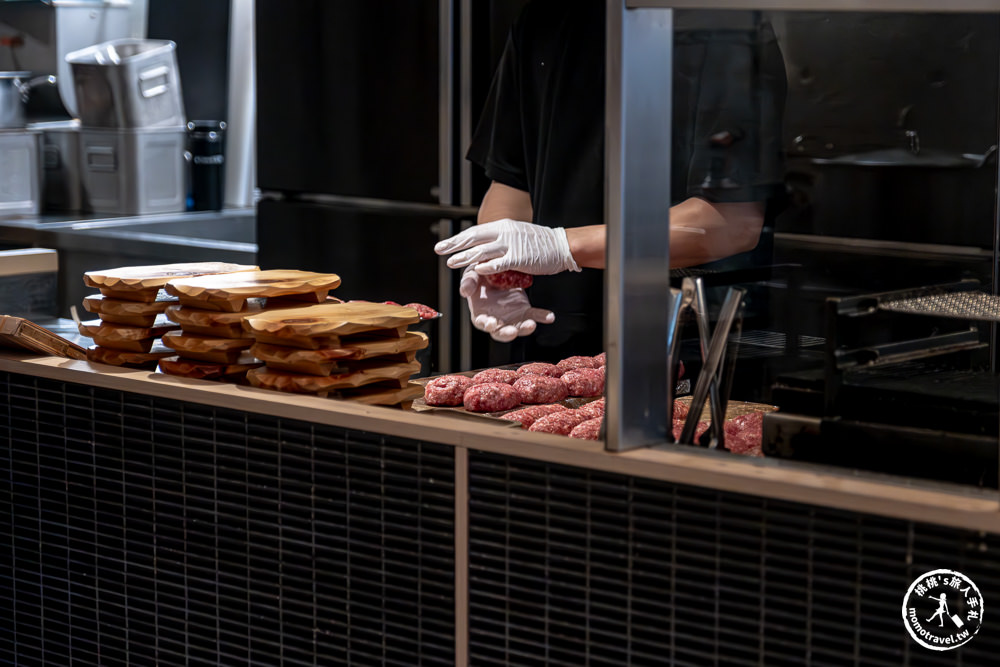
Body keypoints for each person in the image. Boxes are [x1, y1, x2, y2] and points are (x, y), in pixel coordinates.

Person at [435, 0, 787, 362]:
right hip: (552, 335)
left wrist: (562, 246)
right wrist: (500, 267)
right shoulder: (544, 17)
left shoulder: (722, 21)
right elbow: (511, 184)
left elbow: (731, 221)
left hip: (685, 340)